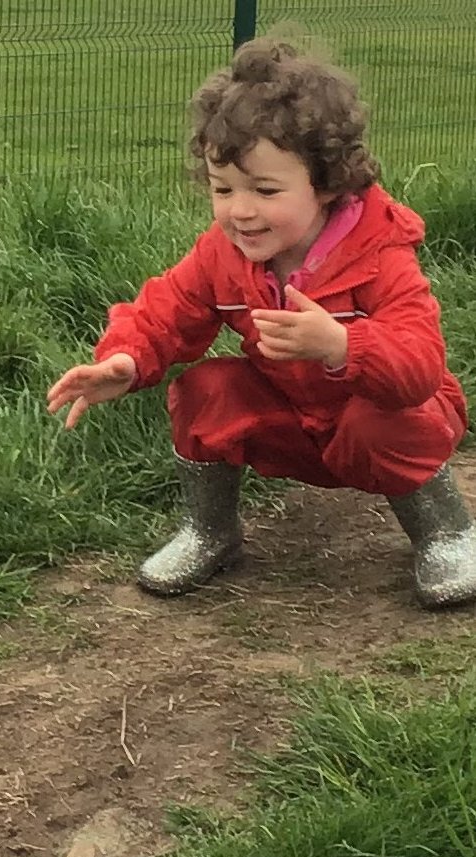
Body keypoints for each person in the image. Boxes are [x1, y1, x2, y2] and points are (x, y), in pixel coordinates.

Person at [46, 36, 476, 609]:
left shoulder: (381, 253)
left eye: (265, 190)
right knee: (204, 390)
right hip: (292, 418)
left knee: (393, 419)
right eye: (222, 189)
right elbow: (166, 310)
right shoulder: (225, 252)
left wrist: (343, 344)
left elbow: (420, 367)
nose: (240, 210)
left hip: (373, 419)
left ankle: (446, 532)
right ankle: (210, 531)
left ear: (325, 184)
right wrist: (124, 360)